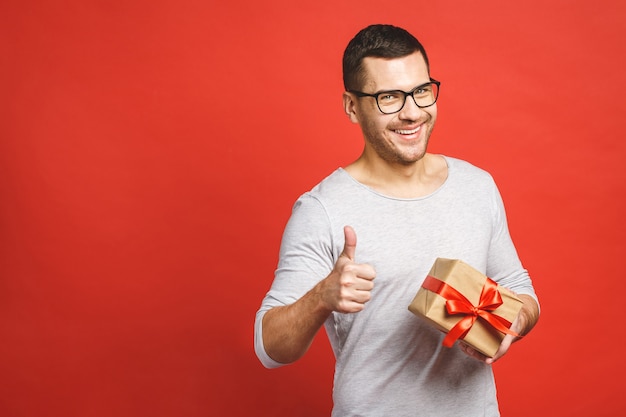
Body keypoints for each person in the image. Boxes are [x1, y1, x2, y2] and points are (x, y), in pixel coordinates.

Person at [254, 24, 539, 417]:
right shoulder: (322, 209)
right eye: (389, 97)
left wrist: (510, 323)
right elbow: (269, 349)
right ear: (352, 107)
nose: (412, 112)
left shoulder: (477, 186)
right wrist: (322, 297)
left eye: (421, 91)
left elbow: (518, 288)